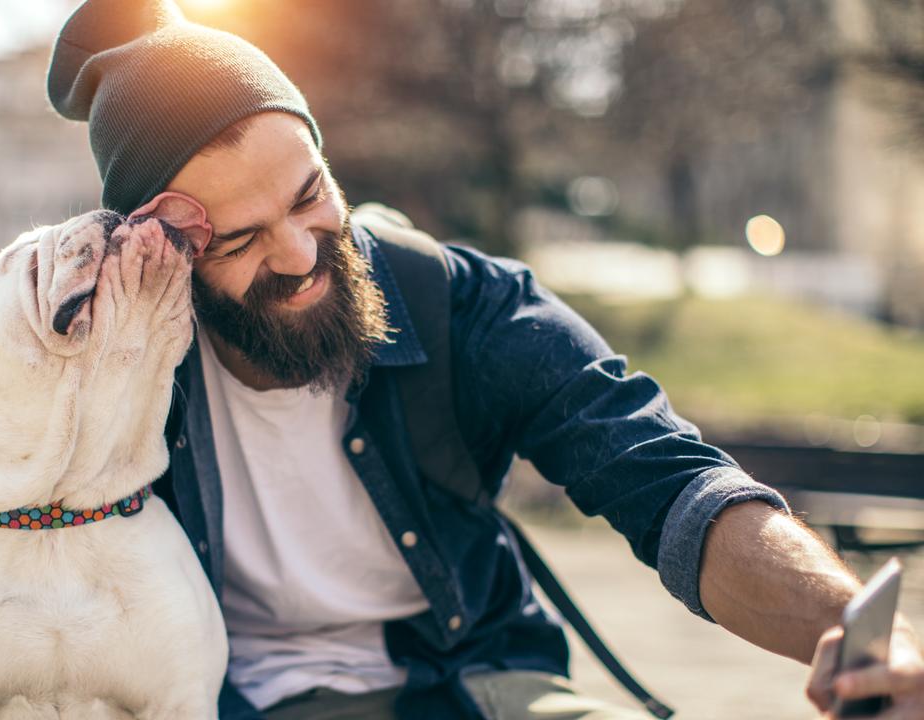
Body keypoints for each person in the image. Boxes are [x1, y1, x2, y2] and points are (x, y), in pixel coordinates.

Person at [46, 2, 924, 718]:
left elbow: (669, 484)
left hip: (476, 680)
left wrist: (851, 629)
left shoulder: (459, 302)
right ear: (162, 255)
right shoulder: (117, 369)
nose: (302, 255)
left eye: (311, 196)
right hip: (228, 698)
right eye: (240, 239)